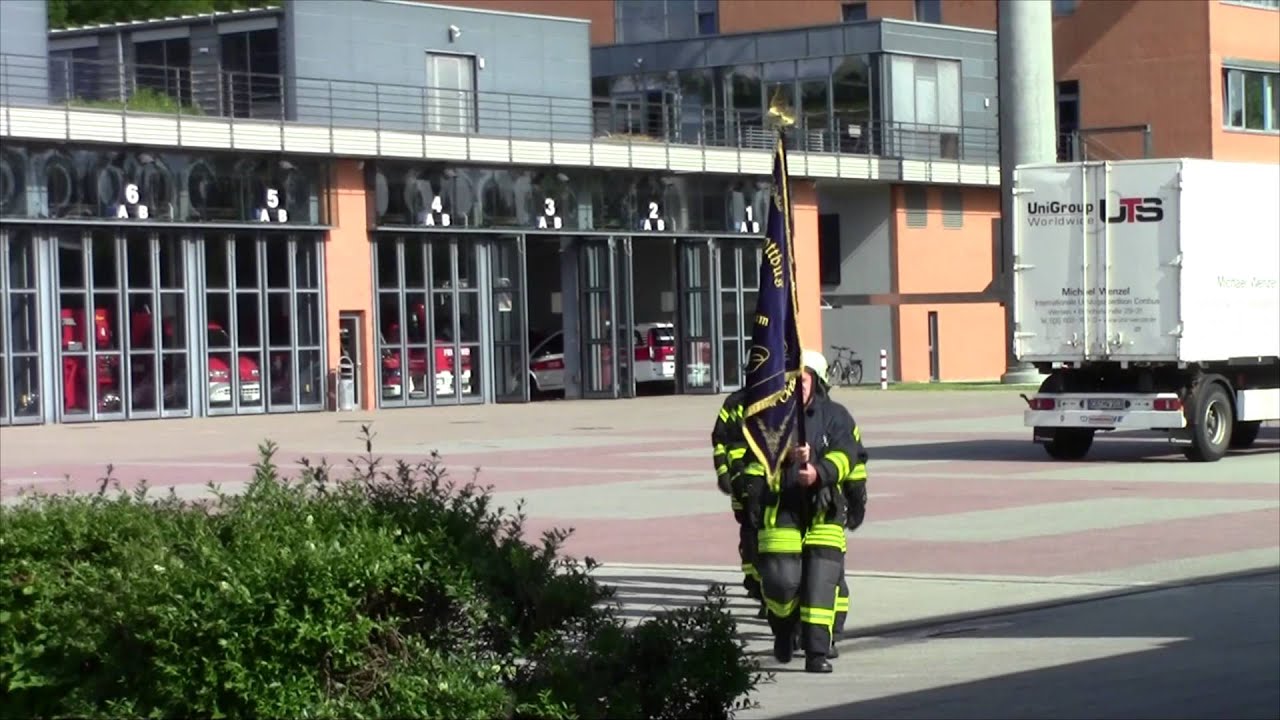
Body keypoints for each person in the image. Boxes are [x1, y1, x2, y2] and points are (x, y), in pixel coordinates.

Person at [745, 349, 868, 673]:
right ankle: (784, 628)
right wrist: (756, 492)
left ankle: (817, 653)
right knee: (781, 583)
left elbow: (848, 455)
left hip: (824, 510)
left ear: (817, 382)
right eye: (793, 379)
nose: (798, 384)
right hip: (782, 509)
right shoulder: (770, 416)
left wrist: (820, 472)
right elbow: (754, 459)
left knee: (820, 585)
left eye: (804, 378)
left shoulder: (837, 416)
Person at [711, 387, 767, 617]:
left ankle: (764, 589)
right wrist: (723, 472)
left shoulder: (779, 399)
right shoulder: (734, 402)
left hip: (768, 480)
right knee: (748, 529)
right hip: (739, 478)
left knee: (762, 533)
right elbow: (719, 439)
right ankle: (754, 578)